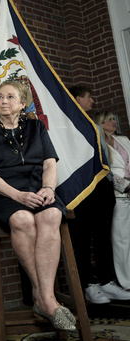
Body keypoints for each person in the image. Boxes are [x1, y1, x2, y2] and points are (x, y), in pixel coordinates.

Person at [0, 80, 76, 331]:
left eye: (9, 97)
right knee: (23, 219)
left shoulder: (36, 127)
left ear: (22, 104)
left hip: (36, 186)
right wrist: (17, 196)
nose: (3, 101)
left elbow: (50, 163)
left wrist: (48, 188)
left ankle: (43, 297)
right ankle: (46, 298)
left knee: (51, 216)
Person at [67, 86, 130, 304]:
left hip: (102, 188)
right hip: (82, 189)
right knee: (82, 239)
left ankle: (106, 281)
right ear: (77, 99)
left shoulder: (92, 126)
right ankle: (89, 285)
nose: (92, 101)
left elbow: (104, 158)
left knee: (103, 237)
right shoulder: (67, 123)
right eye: (88, 97)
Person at [95, 111, 130, 291]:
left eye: (114, 119)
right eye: (109, 119)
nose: (113, 122)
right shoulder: (99, 144)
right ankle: (126, 281)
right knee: (121, 240)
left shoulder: (123, 140)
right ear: (100, 123)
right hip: (119, 194)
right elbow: (106, 170)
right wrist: (126, 186)